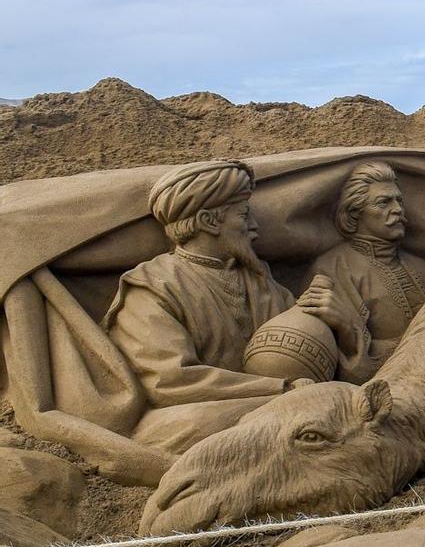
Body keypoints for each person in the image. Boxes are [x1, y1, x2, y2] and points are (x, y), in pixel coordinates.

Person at [105, 159, 362, 451]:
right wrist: (280, 389)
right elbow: (169, 381)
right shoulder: (151, 286)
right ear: (208, 222)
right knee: (187, 426)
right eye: (243, 215)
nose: (253, 227)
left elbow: (310, 351)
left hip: (282, 404)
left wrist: (342, 327)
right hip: (205, 412)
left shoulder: (261, 282)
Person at [309, 161, 425, 380]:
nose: (398, 209)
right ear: (355, 212)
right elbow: (341, 364)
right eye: (384, 202)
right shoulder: (332, 268)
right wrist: (349, 329)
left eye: (399, 200)